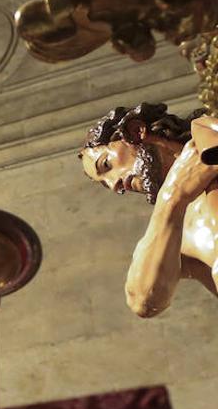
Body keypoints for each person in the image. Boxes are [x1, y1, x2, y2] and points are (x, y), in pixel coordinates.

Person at [78, 102, 218, 317]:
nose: (115, 184)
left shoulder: (207, 131)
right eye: (105, 184)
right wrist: (171, 199)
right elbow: (143, 302)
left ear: (136, 130)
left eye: (107, 165)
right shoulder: (174, 233)